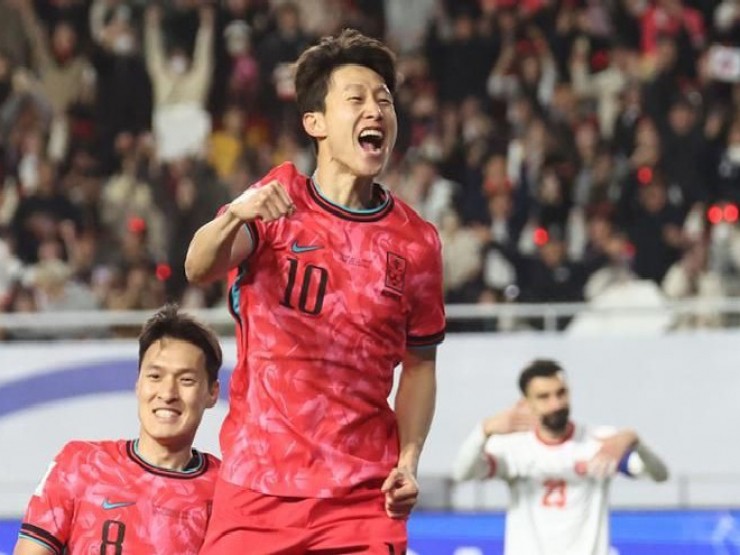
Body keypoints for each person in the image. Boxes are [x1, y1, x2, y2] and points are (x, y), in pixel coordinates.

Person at [185, 28, 445, 554]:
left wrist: (408, 460)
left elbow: (420, 365)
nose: (375, 111)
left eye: (384, 101)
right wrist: (236, 214)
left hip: (363, 501)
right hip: (257, 489)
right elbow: (198, 266)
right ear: (315, 122)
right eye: (356, 99)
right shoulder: (276, 199)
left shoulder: (416, 242)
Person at [14, 304, 223, 555]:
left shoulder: (226, 490)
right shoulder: (81, 464)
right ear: (138, 383)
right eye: (155, 377)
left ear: (212, 393)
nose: (168, 393)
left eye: (186, 380)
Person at [452, 358, 668, 555]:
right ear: (527, 403)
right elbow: (461, 473)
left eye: (561, 393)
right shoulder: (513, 447)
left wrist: (636, 442)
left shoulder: (599, 442)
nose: (556, 404)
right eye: (544, 397)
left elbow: (660, 475)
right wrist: (483, 431)